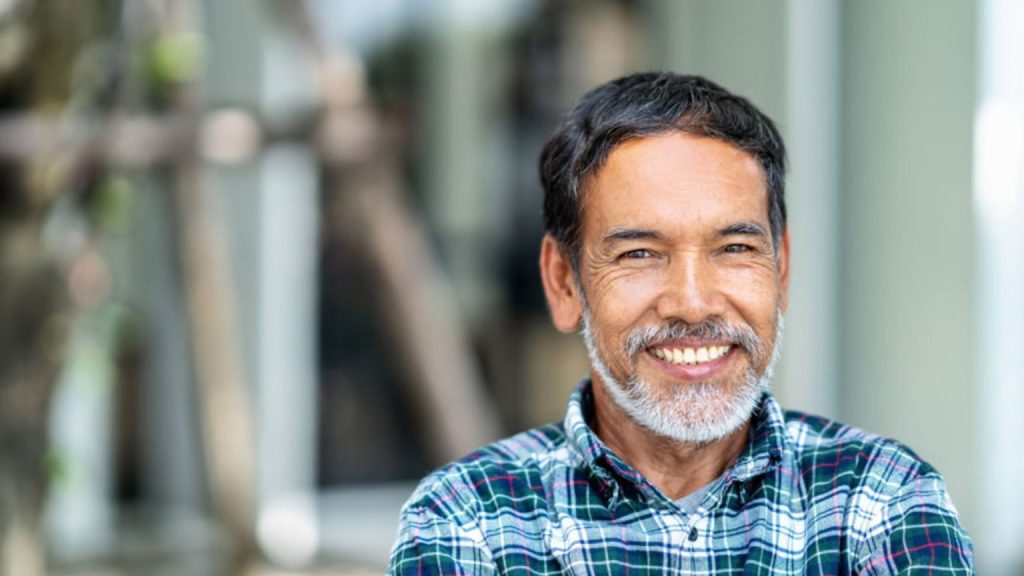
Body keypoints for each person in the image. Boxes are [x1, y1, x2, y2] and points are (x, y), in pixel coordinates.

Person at [387, 72, 974, 575]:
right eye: (639, 254)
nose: (693, 304)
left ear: (782, 268)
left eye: (735, 249)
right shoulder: (472, 522)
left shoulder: (881, 498)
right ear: (565, 283)